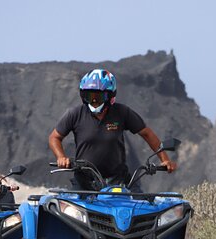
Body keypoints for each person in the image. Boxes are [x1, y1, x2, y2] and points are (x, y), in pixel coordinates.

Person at [48, 68, 177, 191]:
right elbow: (54, 137)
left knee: (141, 207)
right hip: (84, 182)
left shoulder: (122, 112)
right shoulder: (74, 114)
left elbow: (147, 133)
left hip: (118, 180)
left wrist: (164, 160)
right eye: (89, 96)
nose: (93, 101)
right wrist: (61, 157)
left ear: (110, 96)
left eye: (98, 97)